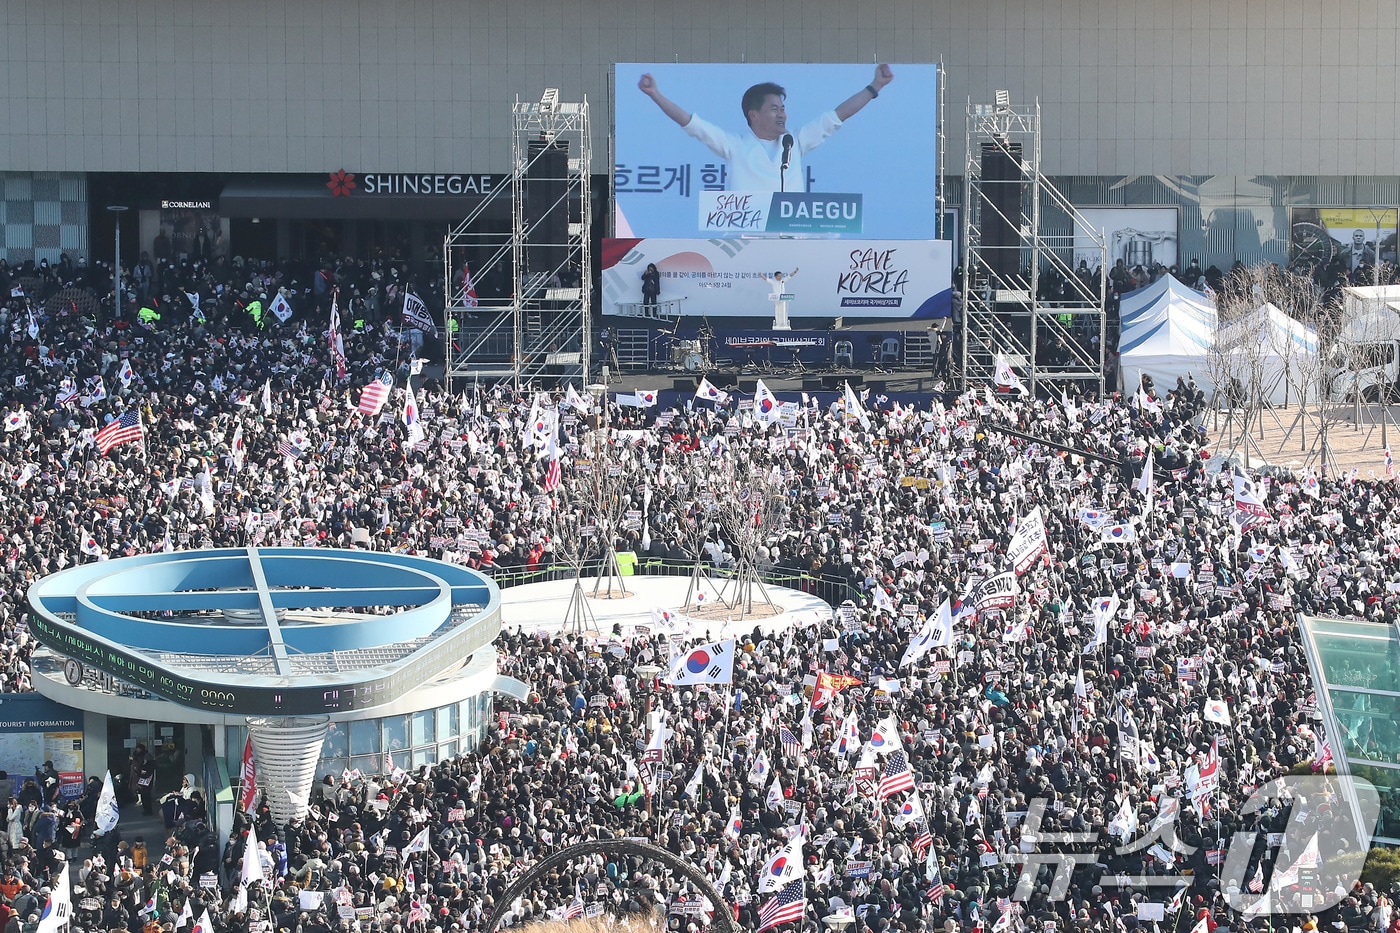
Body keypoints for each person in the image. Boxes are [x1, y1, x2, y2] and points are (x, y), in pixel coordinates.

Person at [637, 65, 894, 193]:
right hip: (746, 244)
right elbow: (690, 122)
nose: (782, 114)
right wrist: (654, 94)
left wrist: (875, 87)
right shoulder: (735, 145)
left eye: (783, 108)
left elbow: (839, 115)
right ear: (754, 114)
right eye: (774, 109)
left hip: (793, 239)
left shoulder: (795, 141)